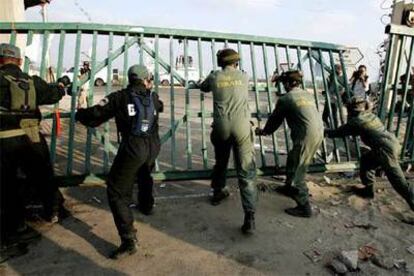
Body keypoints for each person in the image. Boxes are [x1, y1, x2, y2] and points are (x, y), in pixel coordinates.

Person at [75, 64, 163, 259]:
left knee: (116, 191)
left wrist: (80, 113)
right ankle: (147, 205)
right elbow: (161, 107)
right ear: (146, 79)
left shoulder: (120, 97)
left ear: (129, 78)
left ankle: (128, 239)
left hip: (133, 146)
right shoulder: (153, 97)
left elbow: (96, 115)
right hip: (153, 145)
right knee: (144, 173)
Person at [0, 43, 68, 248]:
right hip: (33, 138)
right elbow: (54, 93)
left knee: (8, 185)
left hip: (5, 140)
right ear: (20, 61)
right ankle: (54, 211)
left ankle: (17, 227)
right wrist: (62, 85)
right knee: (44, 175)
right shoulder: (32, 81)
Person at [198, 48, 257, 234]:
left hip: (222, 126)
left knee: (221, 161)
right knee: (246, 171)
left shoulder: (215, 77)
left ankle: (218, 192)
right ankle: (249, 216)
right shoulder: (244, 76)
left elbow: (203, 86)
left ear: (220, 62)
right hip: (242, 126)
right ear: (236, 62)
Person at [325, 96, 414, 211]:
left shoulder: (356, 121)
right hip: (390, 145)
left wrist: (324, 131)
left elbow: (339, 132)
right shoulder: (369, 115)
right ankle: (368, 190)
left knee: (398, 182)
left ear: (351, 110)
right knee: (366, 161)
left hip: (385, 150)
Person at [256, 70, 324, 218]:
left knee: (298, 172)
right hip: (318, 133)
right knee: (293, 159)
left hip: (306, 136)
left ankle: (304, 207)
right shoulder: (307, 94)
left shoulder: (286, 99)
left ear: (287, 83)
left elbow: (275, 120)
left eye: (282, 83)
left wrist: (264, 132)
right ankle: (288, 187)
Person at [322, 64, 345, 129]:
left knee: (334, 115)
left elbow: (343, 89)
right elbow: (329, 87)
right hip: (329, 98)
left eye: (337, 69)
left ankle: (336, 129)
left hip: (336, 99)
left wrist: (337, 96)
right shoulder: (332, 76)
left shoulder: (343, 78)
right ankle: (330, 128)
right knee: (324, 116)